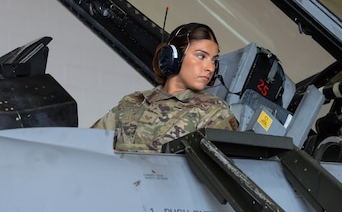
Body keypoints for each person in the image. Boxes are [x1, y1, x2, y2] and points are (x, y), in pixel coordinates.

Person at [91, 22, 238, 152]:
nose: (210, 68)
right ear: (173, 57)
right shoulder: (131, 102)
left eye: (214, 61)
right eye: (201, 56)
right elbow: (88, 146)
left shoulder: (213, 111)